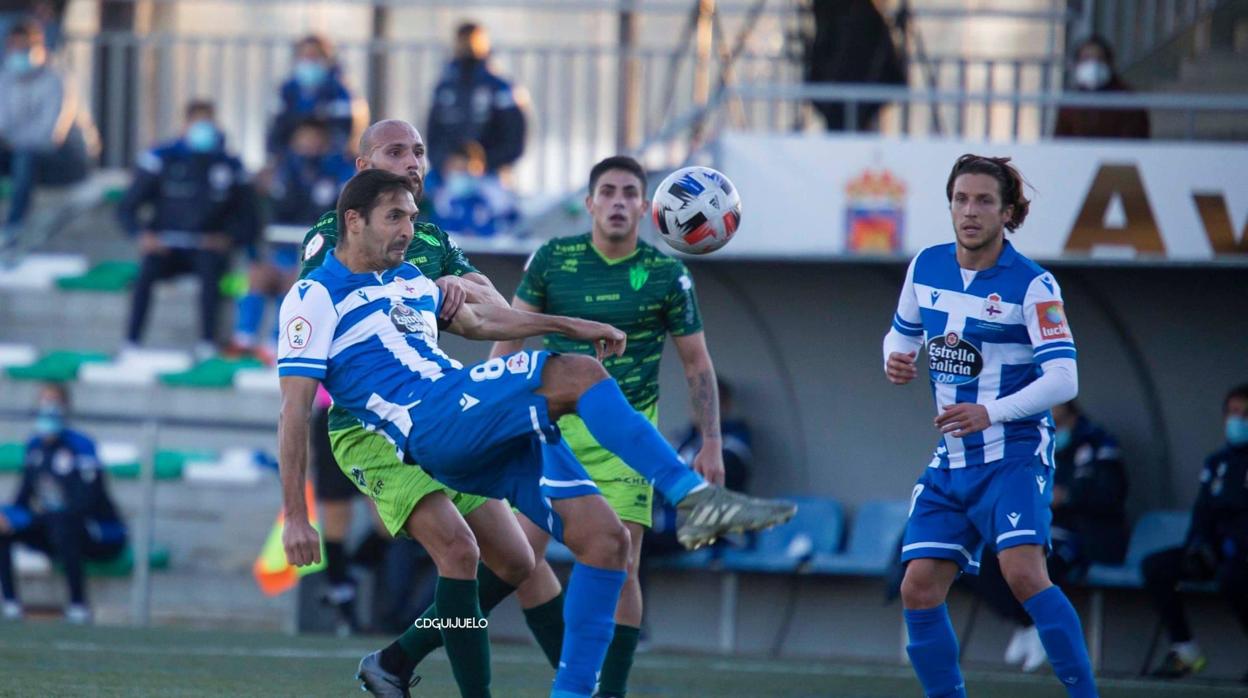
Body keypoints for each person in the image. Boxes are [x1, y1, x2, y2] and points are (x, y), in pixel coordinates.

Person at [278, 169, 795, 698]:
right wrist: (297, 515)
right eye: (395, 217)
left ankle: (564, 691)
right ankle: (693, 497)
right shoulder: (314, 294)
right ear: (353, 220)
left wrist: (572, 325)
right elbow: (293, 411)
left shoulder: (410, 279)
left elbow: (483, 323)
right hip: (429, 420)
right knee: (577, 376)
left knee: (605, 541)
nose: (409, 229)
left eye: (412, 217)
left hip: (463, 423)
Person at [297, 119, 539, 697]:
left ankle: (396, 658)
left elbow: (492, 304)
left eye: (420, 151)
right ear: (363, 168)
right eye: (395, 150)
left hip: (436, 406)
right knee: (458, 550)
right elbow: (333, 306)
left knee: (518, 561)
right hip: (368, 418)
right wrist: (426, 290)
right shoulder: (328, 234)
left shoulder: (430, 238)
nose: (412, 160)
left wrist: (460, 290)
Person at [491, 155, 726, 698]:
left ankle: (608, 690)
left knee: (622, 564)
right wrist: (494, 413)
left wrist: (710, 441)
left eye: (629, 193)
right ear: (590, 203)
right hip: (549, 435)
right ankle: (570, 672)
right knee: (512, 560)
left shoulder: (668, 273)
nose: (618, 201)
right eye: (608, 191)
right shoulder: (553, 259)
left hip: (627, 443)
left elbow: (697, 363)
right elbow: (509, 339)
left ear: (646, 208)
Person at [883, 154, 1097, 697]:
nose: (970, 211)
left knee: (1024, 575)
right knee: (918, 587)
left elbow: (1064, 379)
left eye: (983, 201)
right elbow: (901, 335)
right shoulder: (924, 266)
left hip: (1014, 452)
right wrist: (896, 357)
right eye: (960, 199)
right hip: (952, 459)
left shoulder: (1034, 285)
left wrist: (990, 412)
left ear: (1008, 213)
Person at [963, 400, 1128, 672]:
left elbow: (1111, 495)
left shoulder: (1098, 443)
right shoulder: (1032, 440)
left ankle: (1041, 627)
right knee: (979, 561)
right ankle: (1027, 622)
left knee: (1035, 567)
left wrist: (1067, 496)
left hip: (1083, 535)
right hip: (1033, 528)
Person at [118, 99, 254, 359]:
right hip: (166, 246)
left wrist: (228, 239)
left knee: (217, 274)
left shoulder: (229, 165)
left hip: (207, 248)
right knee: (145, 272)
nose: (202, 128)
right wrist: (142, 235)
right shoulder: (163, 158)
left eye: (208, 121)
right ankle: (131, 343)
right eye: (197, 121)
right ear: (185, 125)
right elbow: (127, 207)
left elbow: (249, 219)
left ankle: (207, 342)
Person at [1142, 383, 1248, 682]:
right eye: (1233, 413)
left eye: (1245, 414)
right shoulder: (1217, 462)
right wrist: (1196, 545)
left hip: (1241, 554)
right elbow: (1203, 510)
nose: (1237, 420)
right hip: (1215, 550)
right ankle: (1185, 650)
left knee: (1234, 578)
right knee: (1157, 566)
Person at [0, 384, 127, 624]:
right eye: (44, 402)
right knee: (4, 526)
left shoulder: (81, 446)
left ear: (66, 407)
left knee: (64, 523)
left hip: (97, 531)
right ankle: (11, 605)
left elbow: (89, 500)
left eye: (54, 401)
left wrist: (44, 517)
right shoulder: (34, 447)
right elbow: (22, 499)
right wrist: (8, 517)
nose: (48, 408)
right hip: (53, 528)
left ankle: (78, 606)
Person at [231, 118, 353, 359]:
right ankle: (243, 340)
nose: (309, 145)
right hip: (282, 248)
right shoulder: (280, 172)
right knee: (257, 276)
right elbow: (269, 215)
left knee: (295, 280)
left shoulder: (340, 174)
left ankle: (278, 343)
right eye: (304, 139)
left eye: (315, 140)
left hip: (324, 253)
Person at [0, 19, 91, 246]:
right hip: (19, 152)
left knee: (25, 155)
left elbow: (50, 135)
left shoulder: (58, 79)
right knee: (22, 154)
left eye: (25, 47)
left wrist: (12, 141)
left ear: (38, 47)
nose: (19, 53)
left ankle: (13, 228)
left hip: (65, 160)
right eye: (14, 47)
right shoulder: (6, 79)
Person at [426, 22, 526, 177]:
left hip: (491, 174)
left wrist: (483, 164)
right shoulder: (445, 88)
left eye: (472, 41)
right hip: (447, 175)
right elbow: (433, 135)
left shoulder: (501, 88)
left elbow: (514, 139)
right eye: (463, 41)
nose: (467, 47)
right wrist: (445, 162)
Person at [267, 34, 357, 157]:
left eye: (314, 56)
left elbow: (346, 129)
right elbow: (277, 130)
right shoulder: (288, 89)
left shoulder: (339, 90)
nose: (309, 62)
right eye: (305, 56)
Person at [1055, 35, 1150, 139]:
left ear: (1109, 63)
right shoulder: (1070, 103)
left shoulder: (1128, 100)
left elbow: (1135, 140)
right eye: (1086, 59)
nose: (1093, 64)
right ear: (1077, 64)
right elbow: (1060, 139)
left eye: (1099, 59)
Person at [425, 140, 517, 238]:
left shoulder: (494, 195)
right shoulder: (437, 197)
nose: (460, 175)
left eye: (465, 169)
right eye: (457, 169)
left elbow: (510, 224)